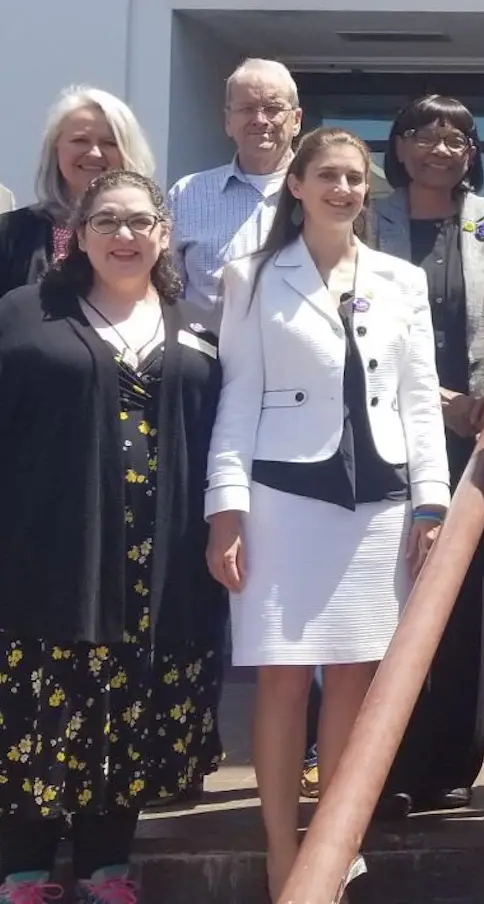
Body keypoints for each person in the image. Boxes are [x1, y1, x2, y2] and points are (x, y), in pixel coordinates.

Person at [203, 127, 449, 902]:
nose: (344, 190)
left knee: (355, 677)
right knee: (279, 679)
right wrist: (226, 508)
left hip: (377, 504)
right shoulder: (249, 277)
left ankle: (335, 853)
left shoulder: (399, 278)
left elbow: (418, 400)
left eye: (355, 179)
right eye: (329, 177)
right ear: (298, 186)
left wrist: (431, 503)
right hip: (282, 498)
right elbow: (237, 396)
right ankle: (284, 853)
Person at [0, 171, 225, 903]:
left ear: (163, 232)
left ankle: (106, 864)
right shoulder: (26, 313)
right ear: (79, 234)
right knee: (44, 700)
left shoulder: (194, 324)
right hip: (49, 545)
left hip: (162, 557)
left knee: (129, 703)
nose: (123, 236)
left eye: (138, 222)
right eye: (106, 222)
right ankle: (26, 869)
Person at [373, 94, 484, 816]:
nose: (439, 148)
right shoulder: (367, 219)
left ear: (473, 152)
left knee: (467, 604)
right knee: (386, 598)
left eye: (456, 136)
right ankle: (386, 762)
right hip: (380, 435)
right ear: (397, 148)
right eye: (422, 135)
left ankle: (452, 765)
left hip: (478, 442)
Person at [166, 59, 303, 325]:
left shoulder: (321, 194)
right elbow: (167, 290)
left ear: (296, 120)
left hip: (298, 361)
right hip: (209, 359)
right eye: (247, 109)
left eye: (273, 109)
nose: (260, 120)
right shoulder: (187, 195)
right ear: (228, 121)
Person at [0, 86, 155, 298]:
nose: (94, 153)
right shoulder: (9, 233)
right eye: (80, 140)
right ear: (56, 149)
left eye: (110, 143)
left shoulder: (151, 233)